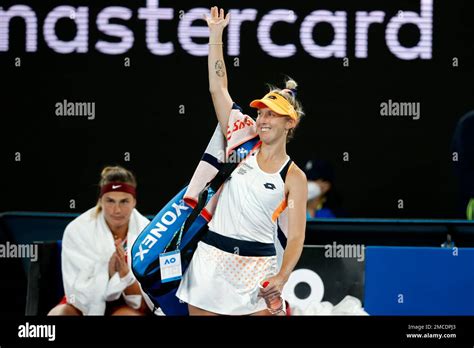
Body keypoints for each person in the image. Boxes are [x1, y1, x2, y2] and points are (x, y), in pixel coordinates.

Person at [176, 7, 307, 316]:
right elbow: (217, 87)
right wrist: (216, 35)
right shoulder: (240, 136)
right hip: (211, 259)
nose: (262, 119)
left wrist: (282, 275)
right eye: (261, 112)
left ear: (290, 124)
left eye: (271, 114)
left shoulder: (294, 176)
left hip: (257, 267)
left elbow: (297, 237)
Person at [48, 166, 151, 315]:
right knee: (58, 314)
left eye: (124, 201)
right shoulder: (77, 229)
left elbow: (146, 301)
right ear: (100, 201)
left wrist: (126, 276)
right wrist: (107, 274)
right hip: (84, 303)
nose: (117, 210)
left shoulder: (148, 232)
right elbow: (76, 292)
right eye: (110, 201)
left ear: (134, 202)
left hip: (128, 303)